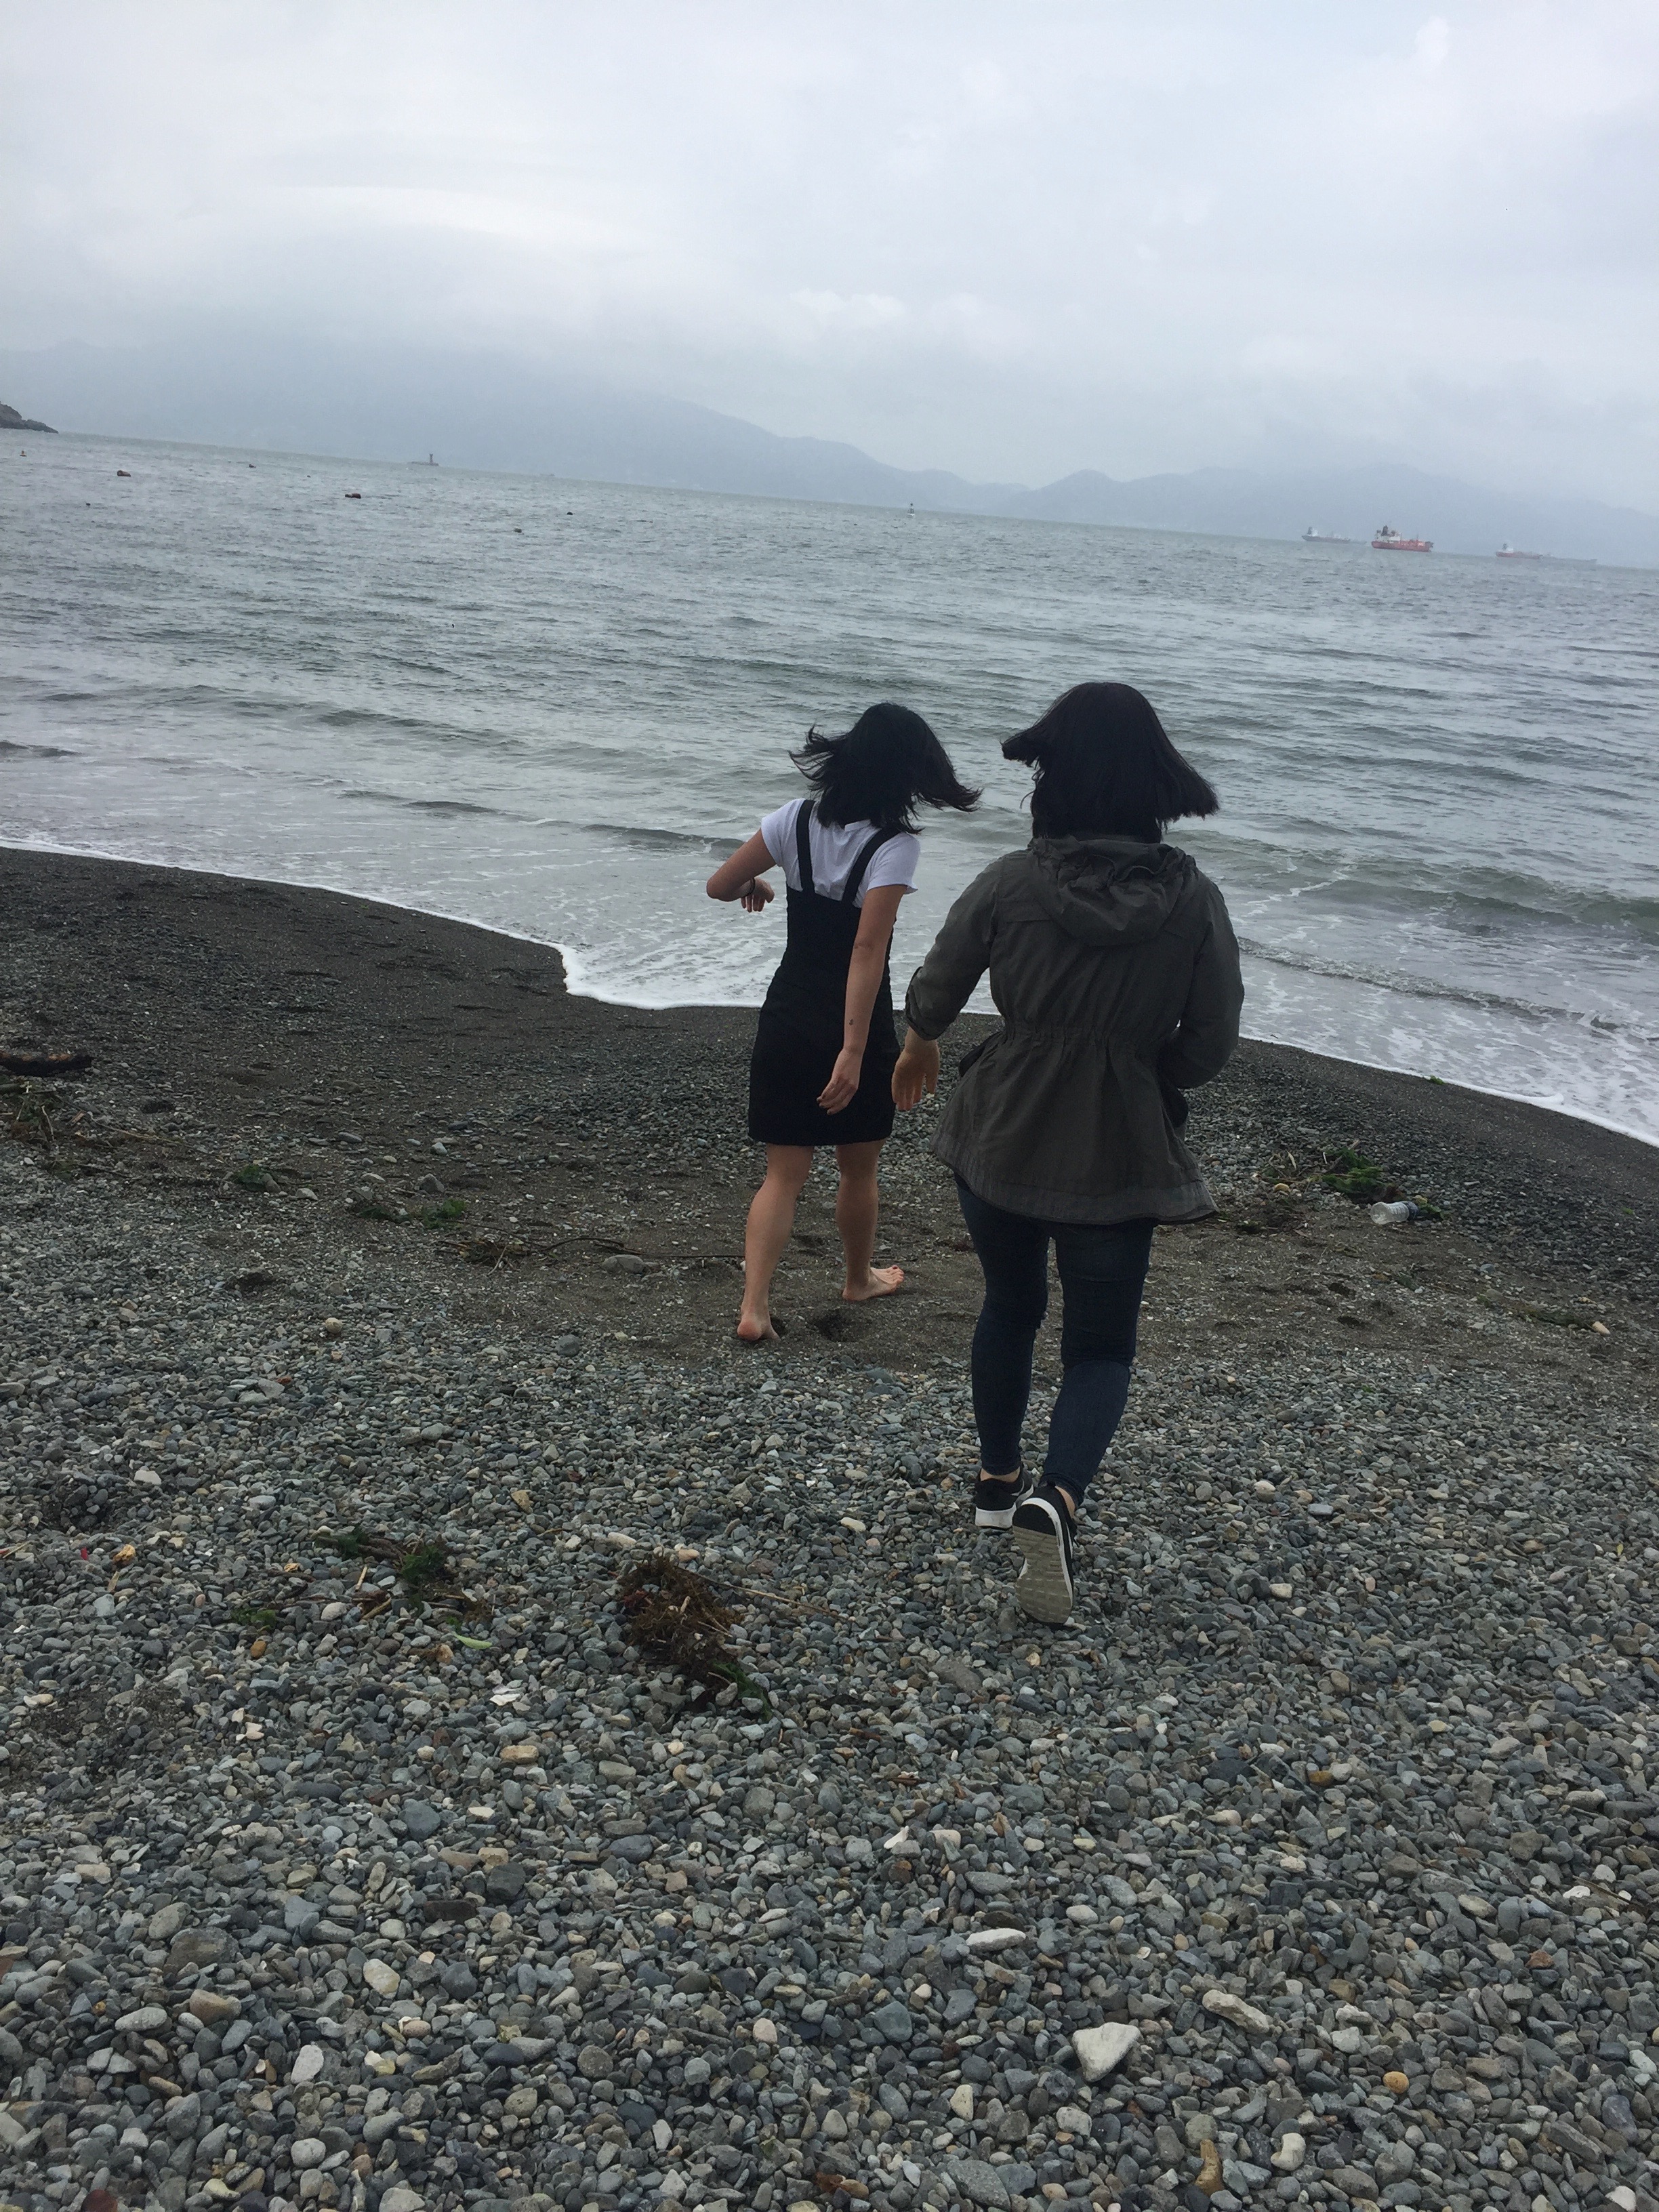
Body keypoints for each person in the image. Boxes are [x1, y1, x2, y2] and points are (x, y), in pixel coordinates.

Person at [893, 681, 1243, 1623]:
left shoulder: (1012, 881)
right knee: (1101, 1346)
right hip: (1120, 1150)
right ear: (1158, 786)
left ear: (1055, 781)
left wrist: (923, 1037)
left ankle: (996, 1482)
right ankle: (1060, 1498)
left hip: (1003, 1130)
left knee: (1009, 1305)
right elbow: (1212, 1042)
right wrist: (1145, 1072)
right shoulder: (1194, 900)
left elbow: (936, 988)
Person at [707, 703, 981, 1343]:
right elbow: (867, 948)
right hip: (855, 1024)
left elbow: (721, 885)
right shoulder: (894, 846)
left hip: (787, 1013)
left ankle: (754, 1306)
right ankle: (858, 1279)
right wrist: (854, 1051)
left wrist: (757, 886)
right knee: (858, 1168)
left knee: (782, 1175)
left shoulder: (792, 819)